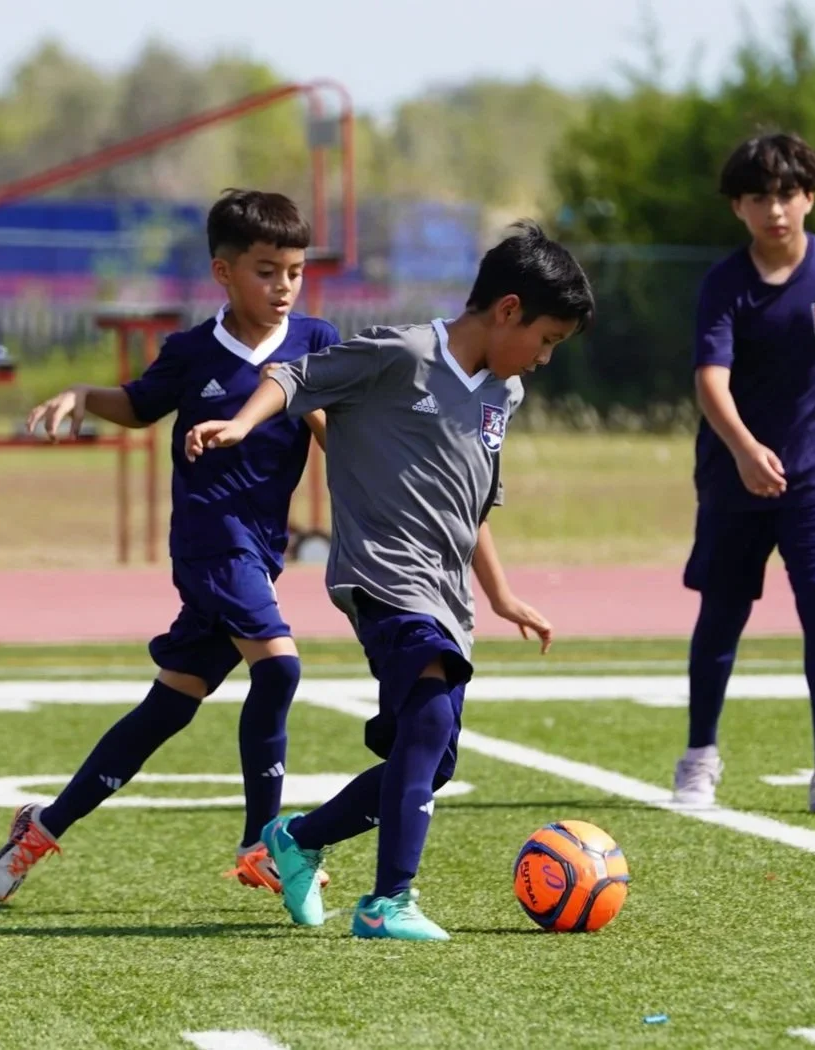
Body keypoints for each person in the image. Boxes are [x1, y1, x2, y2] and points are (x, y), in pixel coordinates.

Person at [186, 221, 594, 941]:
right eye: (547, 339)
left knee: (427, 760)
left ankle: (298, 839)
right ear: (507, 310)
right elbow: (291, 376)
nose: (546, 358)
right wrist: (245, 424)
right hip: (381, 575)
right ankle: (387, 903)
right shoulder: (402, 353)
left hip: (447, 593)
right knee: (429, 713)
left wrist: (498, 594)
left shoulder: (507, 394)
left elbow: (475, 505)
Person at [0, 190, 339, 903]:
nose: (284, 287)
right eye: (267, 271)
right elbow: (140, 405)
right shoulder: (191, 352)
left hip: (260, 551)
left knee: (168, 707)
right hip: (210, 542)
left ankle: (42, 827)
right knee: (279, 669)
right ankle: (262, 844)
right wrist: (85, 394)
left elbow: (339, 428)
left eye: (294, 271)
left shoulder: (317, 344)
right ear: (224, 272)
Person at [671, 132, 815, 813]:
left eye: (786, 194)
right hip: (733, 478)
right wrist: (745, 449)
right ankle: (699, 755)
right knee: (723, 612)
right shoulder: (724, 284)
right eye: (757, 197)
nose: (775, 209)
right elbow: (710, 381)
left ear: (809, 197)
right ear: (737, 209)